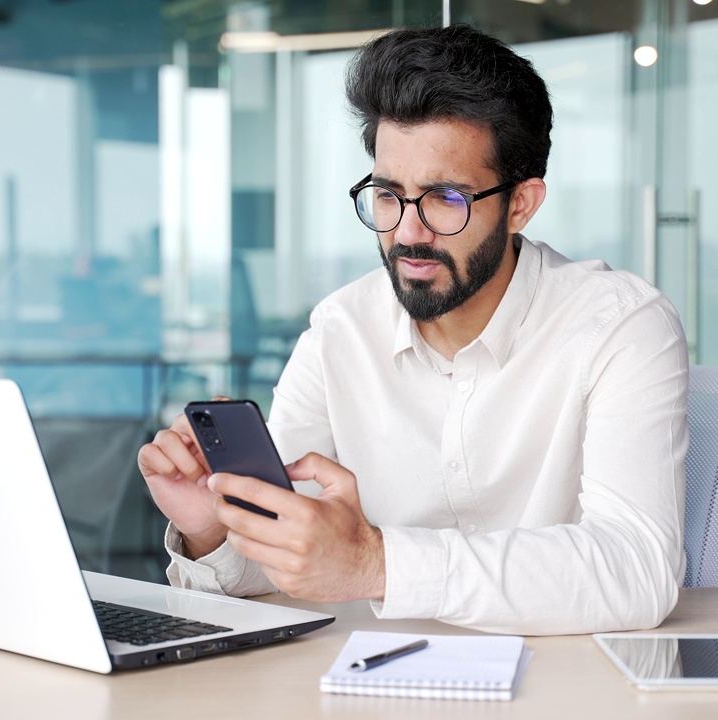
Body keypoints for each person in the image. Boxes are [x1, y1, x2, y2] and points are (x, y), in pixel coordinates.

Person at [137, 24, 688, 635]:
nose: (407, 233)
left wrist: (376, 563)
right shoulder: (340, 330)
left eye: (446, 198)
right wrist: (212, 527)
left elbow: (636, 570)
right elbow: (292, 560)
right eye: (388, 194)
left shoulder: (620, 327)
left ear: (522, 204)